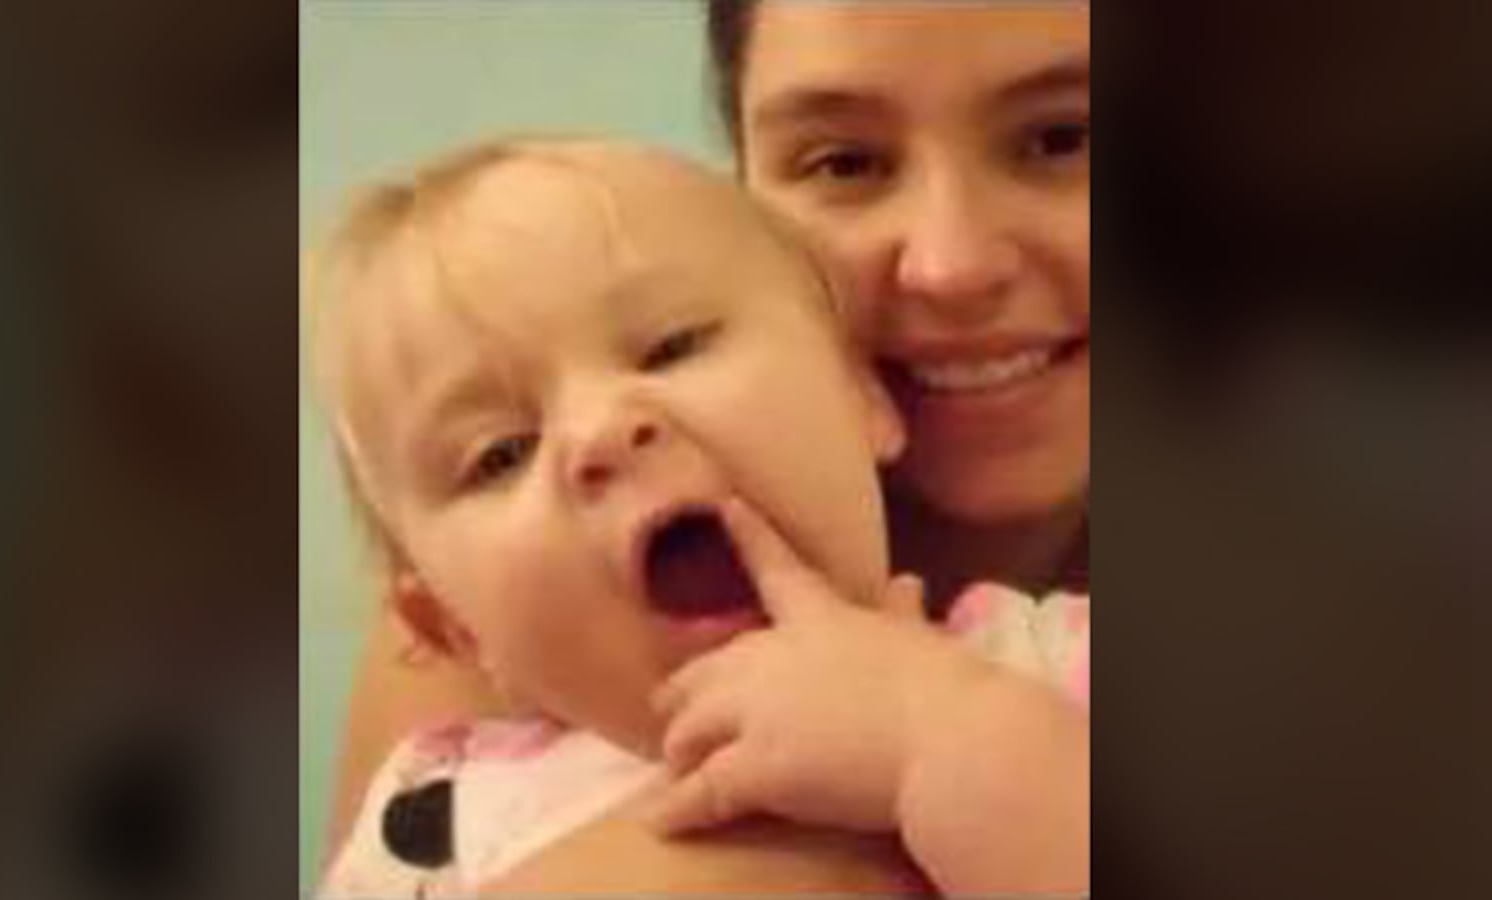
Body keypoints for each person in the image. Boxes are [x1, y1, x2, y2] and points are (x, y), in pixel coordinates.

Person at [331, 1, 1091, 894]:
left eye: (1064, 137)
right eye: (844, 160)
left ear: (861, 391)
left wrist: (940, 741)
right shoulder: (438, 801)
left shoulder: (1058, 679)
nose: (950, 265)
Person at [312, 137, 918, 896]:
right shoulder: (437, 819)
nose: (600, 430)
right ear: (457, 627)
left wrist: (944, 746)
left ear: (862, 393)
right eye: (501, 453)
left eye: (671, 347)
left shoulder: (1041, 674)